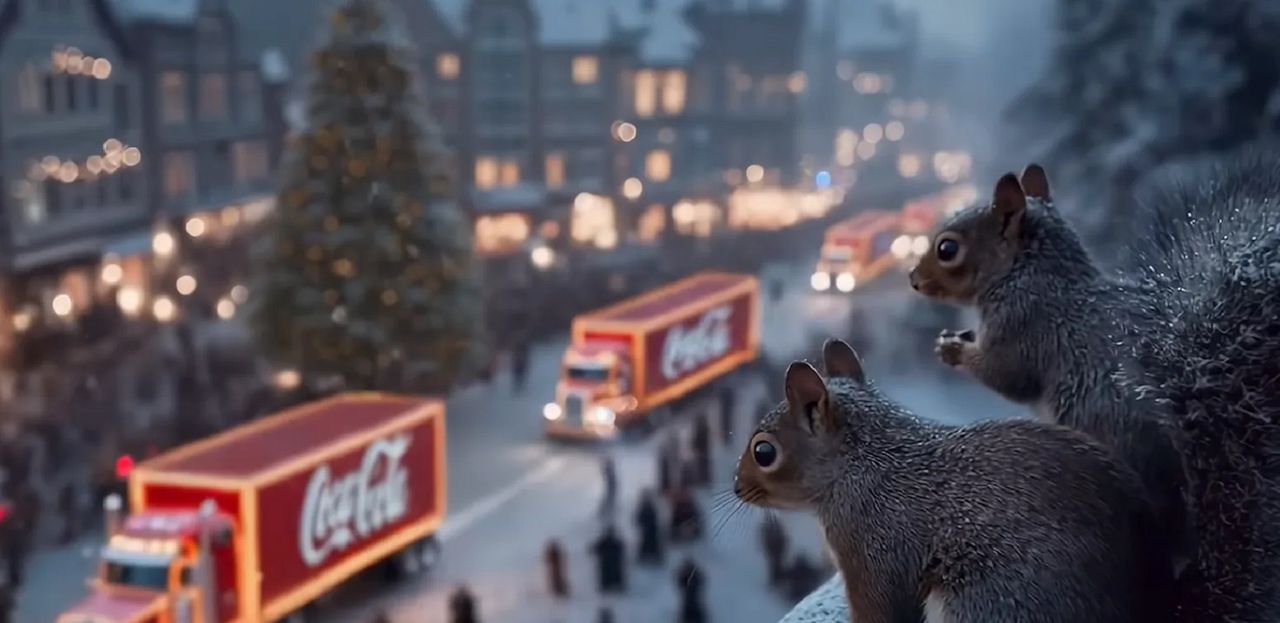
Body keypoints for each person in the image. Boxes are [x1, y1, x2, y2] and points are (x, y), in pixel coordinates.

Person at [589, 524, 626, 593]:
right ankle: (612, 586)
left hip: (608, 562)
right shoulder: (614, 541)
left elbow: (596, 549)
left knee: (610, 575)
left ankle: (609, 586)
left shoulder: (606, 541)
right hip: (610, 562)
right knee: (613, 575)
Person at [633, 489, 663, 565]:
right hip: (646, 529)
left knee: (653, 542)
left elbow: (655, 517)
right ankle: (644, 556)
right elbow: (639, 518)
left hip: (652, 528)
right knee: (645, 542)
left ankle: (655, 555)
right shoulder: (642, 507)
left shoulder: (651, 506)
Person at [674, 557, 708, 623]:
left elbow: (701, 581)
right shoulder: (684, 575)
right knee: (688, 607)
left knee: (694, 606)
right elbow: (679, 583)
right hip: (688, 600)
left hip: (694, 599)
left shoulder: (695, 575)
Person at [761, 518, 789, 586]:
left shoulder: (769, 530)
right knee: (775, 564)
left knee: (776, 564)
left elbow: (782, 540)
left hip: (776, 550)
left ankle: (777, 579)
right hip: (775, 550)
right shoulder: (771, 530)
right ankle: (776, 580)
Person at [691, 414, 711, 486]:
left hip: (703, 452)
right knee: (703, 465)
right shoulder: (702, 430)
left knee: (703, 465)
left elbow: (695, 442)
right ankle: (705, 479)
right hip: (703, 452)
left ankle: (705, 479)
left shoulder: (701, 431)